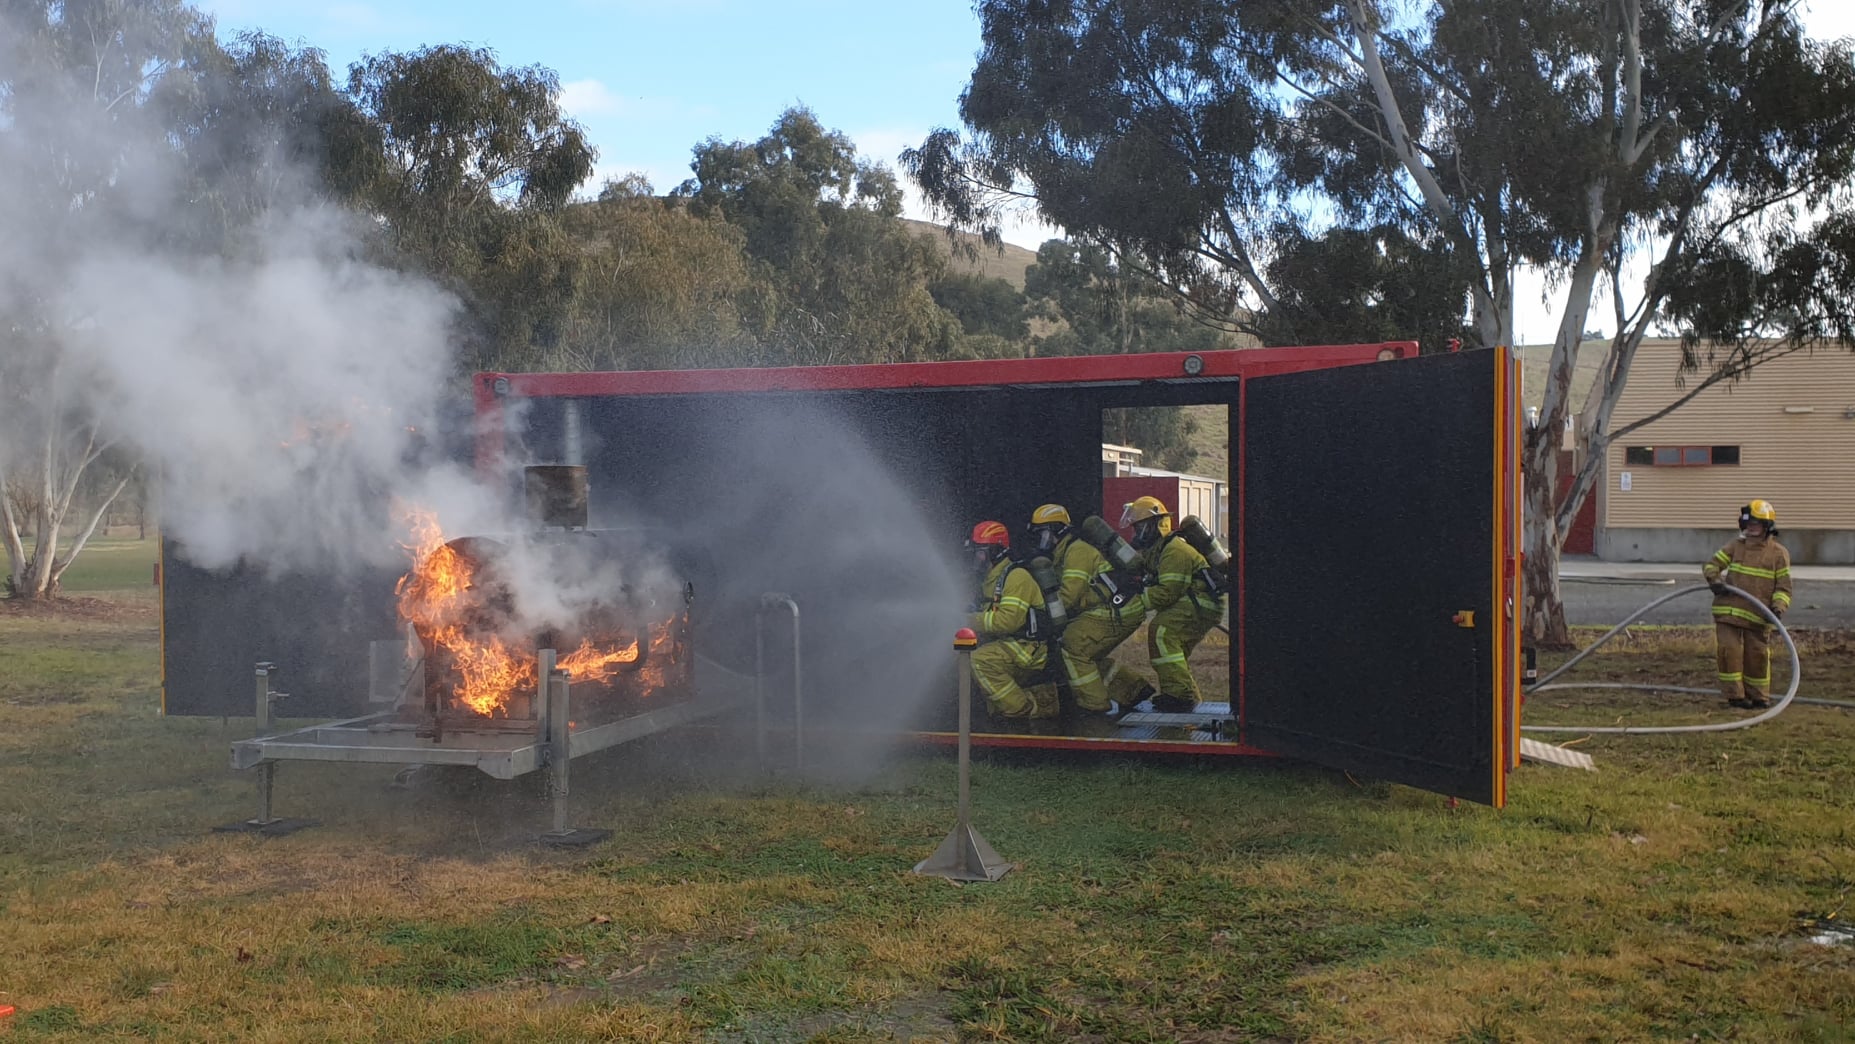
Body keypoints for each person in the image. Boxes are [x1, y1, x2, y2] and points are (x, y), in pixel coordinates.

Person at [1026, 503, 1150, 715]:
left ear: (1058, 530)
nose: (1041, 541)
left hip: (1116, 608)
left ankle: (1094, 704)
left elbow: (1068, 597)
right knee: (1088, 655)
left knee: (1072, 646)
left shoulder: (1077, 551)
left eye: (1044, 534)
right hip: (1112, 608)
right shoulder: (1064, 552)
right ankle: (1132, 690)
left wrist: (1040, 614)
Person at [1120, 496, 1226, 713]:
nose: (1137, 533)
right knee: (1174, 652)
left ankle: (1179, 696)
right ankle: (1183, 696)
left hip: (1200, 602)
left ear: (1155, 524)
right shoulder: (1159, 549)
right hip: (1194, 602)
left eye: (1140, 527)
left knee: (1162, 632)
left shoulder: (1174, 550)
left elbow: (1167, 592)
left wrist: (1136, 602)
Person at [1703, 499, 1793, 709]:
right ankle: (1735, 696)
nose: (1750, 527)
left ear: (1767, 526)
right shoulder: (1735, 546)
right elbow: (1711, 565)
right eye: (1748, 523)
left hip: (1758, 616)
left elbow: (1784, 588)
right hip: (1728, 611)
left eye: (1755, 523)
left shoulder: (1778, 554)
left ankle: (1759, 697)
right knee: (1729, 652)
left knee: (1757, 656)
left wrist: (1778, 607)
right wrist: (1715, 582)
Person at [965, 520, 1060, 719]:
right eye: (975, 552)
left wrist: (966, 620)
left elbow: (1008, 621)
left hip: (1028, 647)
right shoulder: (991, 579)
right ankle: (997, 709)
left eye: (981, 552)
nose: (977, 558)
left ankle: (1022, 708)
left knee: (981, 660)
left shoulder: (1016, 577)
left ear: (996, 551)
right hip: (1010, 643)